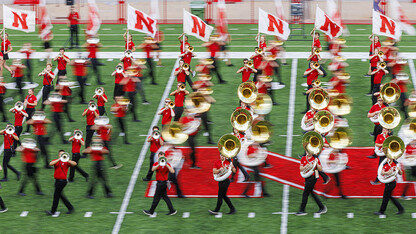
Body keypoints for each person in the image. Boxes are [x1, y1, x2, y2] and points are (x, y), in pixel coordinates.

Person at [143, 151, 177, 216]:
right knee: (165, 197)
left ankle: (151, 211)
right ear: (158, 157)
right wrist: (159, 163)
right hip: (160, 183)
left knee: (156, 197)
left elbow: (172, 171)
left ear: (164, 157)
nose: (161, 158)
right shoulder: (156, 164)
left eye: (162, 156)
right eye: (160, 156)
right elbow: (152, 169)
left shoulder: (167, 164)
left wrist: (166, 163)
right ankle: (172, 210)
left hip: (162, 183)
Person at [296, 150, 327, 216]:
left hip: (313, 177)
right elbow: (301, 169)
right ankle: (322, 207)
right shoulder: (304, 158)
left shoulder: (315, 159)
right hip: (307, 177)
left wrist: (316, 164)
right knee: (311, 193)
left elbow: (320, 169)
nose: (307, 153)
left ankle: (302, 210)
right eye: (307, 151)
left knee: (305, 193)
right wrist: (306, 166)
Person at [45, 150, 76, 215]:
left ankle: (53, 211)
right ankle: (71, 208)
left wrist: (67, 160)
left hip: (62, 181)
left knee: (56, 196)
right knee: (60, 196)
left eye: (63, 154)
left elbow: (74, 163)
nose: (62, 155)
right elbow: (50, 164)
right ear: (59, 155)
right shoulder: (56, 161)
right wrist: (59, 159)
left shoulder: (66, 162)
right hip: (57, 181)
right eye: (61, 154)